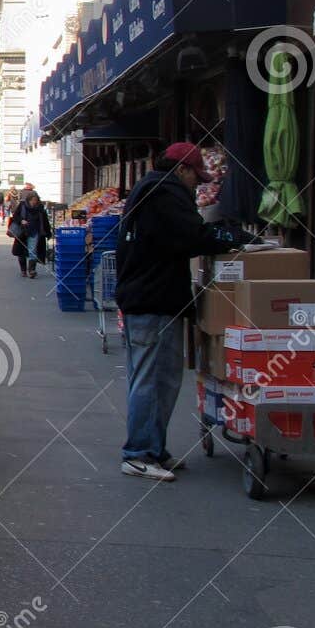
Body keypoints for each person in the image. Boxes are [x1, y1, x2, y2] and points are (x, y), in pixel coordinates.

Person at [114, 143, 242, 482]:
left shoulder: (154, 189)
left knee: (165, 379)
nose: (196, 185)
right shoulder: (165, 192)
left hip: (157, 300)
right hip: (151, 301)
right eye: (194, 177)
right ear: (182, 169)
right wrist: (229, 237)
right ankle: (138, 453)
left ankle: (153, 449)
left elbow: (181, 238)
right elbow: (192, 236)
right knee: (150, 379)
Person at [9, 190, 52, 278]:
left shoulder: (40, 208)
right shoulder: (22, 205)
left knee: (32, 251)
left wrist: (48, 232)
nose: (33, 202)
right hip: (22, 232)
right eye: (32, 200)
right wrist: (21, 220)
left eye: (35, 200)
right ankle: (23, 270)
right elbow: (15, 216)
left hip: (34, 231)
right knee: (21, 252)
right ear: (28, 200)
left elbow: (45, 221)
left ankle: (32, 270)